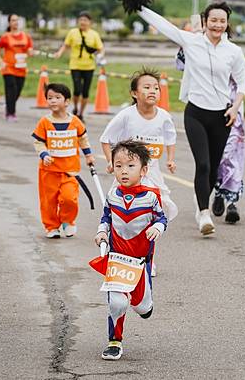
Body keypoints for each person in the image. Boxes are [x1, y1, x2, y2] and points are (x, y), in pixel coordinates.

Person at [113, 0, 245, 236]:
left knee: (213, 171)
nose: (217, 25)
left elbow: (242, 81)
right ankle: (204, 214)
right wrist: (138, 5)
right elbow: (164, 25)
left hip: (222, 115)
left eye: (222, 21)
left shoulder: (234, 52)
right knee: (204, 165)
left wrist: (235, 106)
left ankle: (202, 204)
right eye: (213, 20)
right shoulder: (191, 41)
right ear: (205, 21)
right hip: (196, 112)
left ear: (227, 23)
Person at [93, 140, 167, 360]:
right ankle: (114, 341)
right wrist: (101, 233)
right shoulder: (112, 194)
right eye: (118, 165)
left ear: (144, 170)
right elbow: (105, 218)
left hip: (141, 262)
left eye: (130, 166)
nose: (124, 171)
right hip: (117, 260)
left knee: (142, 308)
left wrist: (157, 227)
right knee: (117, 303)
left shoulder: (151, 196)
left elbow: (162, 217)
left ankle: (145, 305)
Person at [99, 68, 178, 220]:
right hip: (128, 172)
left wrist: (170, 159)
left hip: (152, 172)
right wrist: (111, 161)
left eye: (156, 88)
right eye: (147, 87)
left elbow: (170, 138)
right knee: (121, 209)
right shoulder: (126, 115)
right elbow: (105, 139)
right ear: (134, 94)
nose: (152, 91)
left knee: (155, 207)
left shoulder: (164, 117)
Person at [31, 83, 94, 239]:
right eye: (49, 98)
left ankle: (68, 221)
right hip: (49, 171)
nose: (52, 101)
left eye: (57, 98)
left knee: (69, 198)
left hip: (70, 171)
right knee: (48, 201)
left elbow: (83, 139)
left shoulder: (75, 122)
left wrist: (88, 155)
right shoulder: (44, 122)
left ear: (66, 102)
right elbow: (38, 142)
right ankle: (51, 227)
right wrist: (44, 154)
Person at [212, 71, 245, 223]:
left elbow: (243, 75)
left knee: (232, 158)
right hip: (213, 115)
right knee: (217, 159)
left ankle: (231, 204)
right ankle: (219, 191)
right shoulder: (210, 59)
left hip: (234, 120)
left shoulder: (234, 55)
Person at [54, 12, 104, 121]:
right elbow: (65, 45)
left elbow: (101, 48)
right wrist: (59, 53)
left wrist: (100, 57)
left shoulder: (94, 34)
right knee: (77, 89)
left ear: (90, 22)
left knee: (85, 91)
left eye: (85, 20)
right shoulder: (73, 32)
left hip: (89, 66)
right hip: (75, 65)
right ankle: (75, 108)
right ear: (78, 21)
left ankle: (81, 113)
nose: (83, 22)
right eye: (81, 20)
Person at [0, 14, 33, 122]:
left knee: (17, 92)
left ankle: (8, 106)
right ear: (9, 23)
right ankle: (11, 114)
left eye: (17, 20)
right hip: (8, 68)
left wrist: (31, 53)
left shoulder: (26, 37)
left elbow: (29, 51)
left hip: (21, 68)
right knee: (11, 88)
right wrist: (1, 61)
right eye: (13, 20)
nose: (15, 22)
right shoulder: (6, 37)